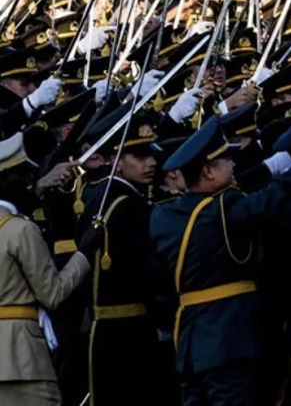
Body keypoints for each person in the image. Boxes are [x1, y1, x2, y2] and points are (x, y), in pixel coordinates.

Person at [149, 115, 291, 406]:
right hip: (229, 339)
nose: (233, 164)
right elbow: (277, 192)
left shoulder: (164, 215)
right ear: (208, 171)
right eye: (226, 161)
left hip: (190, 342)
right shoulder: (223, 211)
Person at [75, 119, 172, 406]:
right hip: (130, 329)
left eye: (152, 155)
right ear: (117, 161)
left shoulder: (97, 195)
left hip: (101, 327)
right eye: (140, 157)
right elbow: (145, 268)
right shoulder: (129, 205)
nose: (151, 163)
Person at [0, 131, 100, 406]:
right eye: (23, 174)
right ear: (7, 181)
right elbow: (53, 293)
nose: (31, 180)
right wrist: (83, 254)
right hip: (21, 360)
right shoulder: (20, 229)